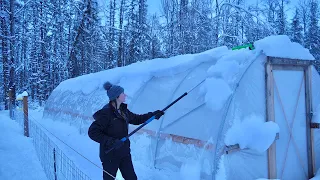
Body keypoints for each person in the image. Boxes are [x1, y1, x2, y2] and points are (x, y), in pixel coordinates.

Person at [88, 81, 164, 180]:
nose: (125, 95)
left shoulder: (123, 111)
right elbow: (92, 132)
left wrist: (153, 115)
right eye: (122, 93)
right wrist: (112, 141)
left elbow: (137, 119)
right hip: (110, 154)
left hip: (124, 152)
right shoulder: (106, 113)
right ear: (116, 96)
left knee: (132, 178)